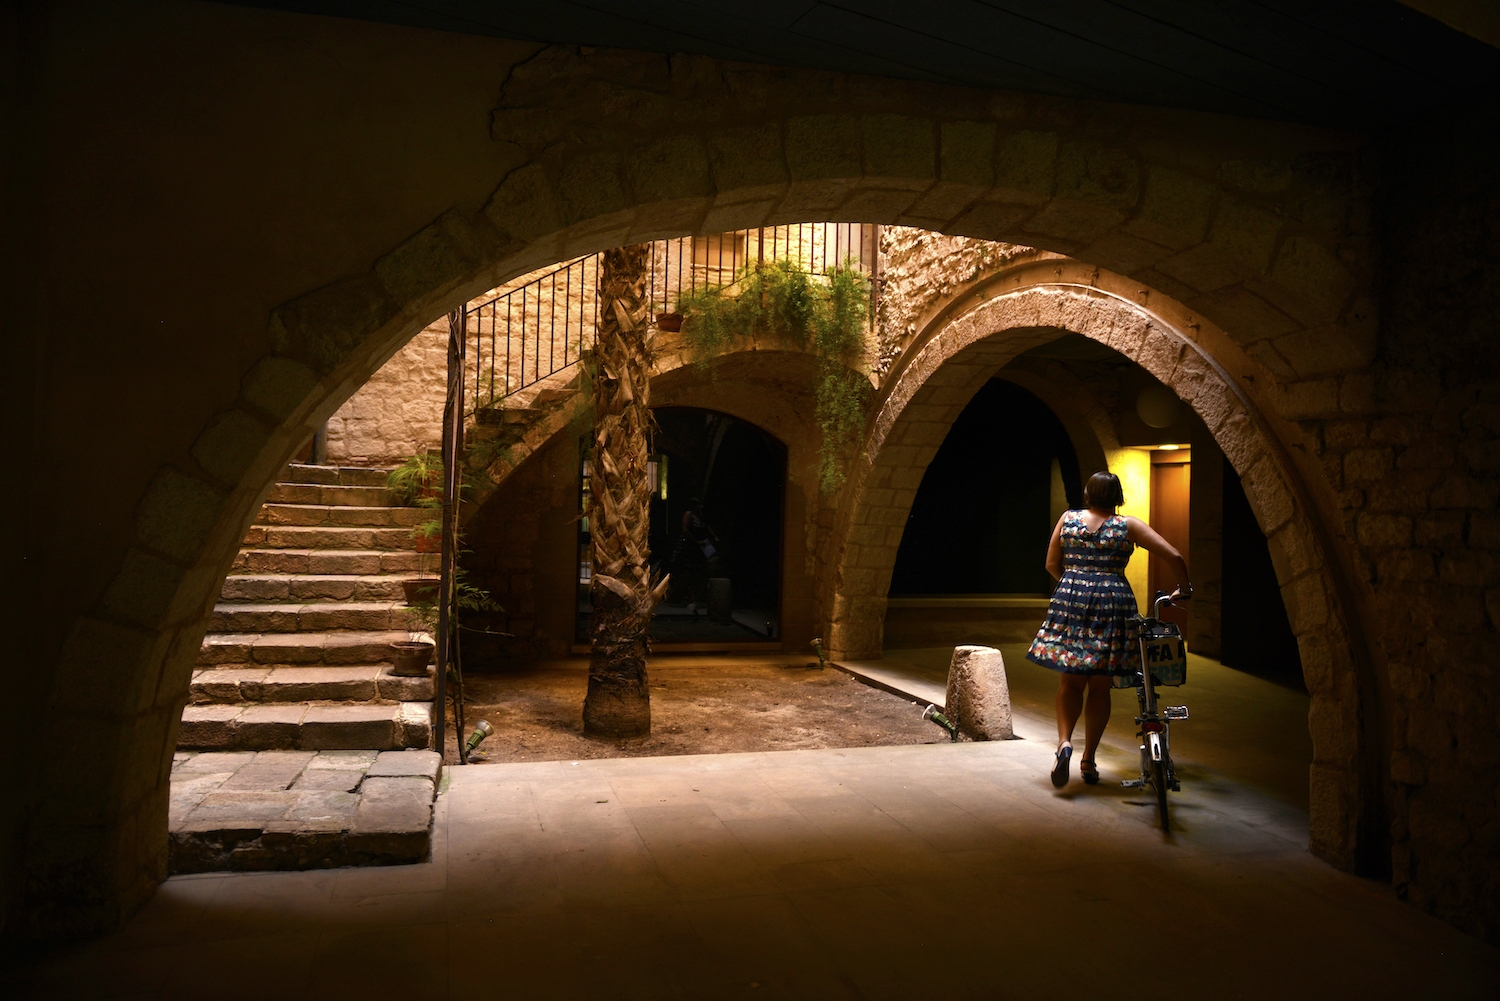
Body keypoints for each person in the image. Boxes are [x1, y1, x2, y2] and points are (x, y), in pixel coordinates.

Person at [1026, 471, 1191, 788]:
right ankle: (1088, 759)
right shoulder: (1126, 525)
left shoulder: (1068, 518)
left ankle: (1064, 744)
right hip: (1113, 604)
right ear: (1118, 496)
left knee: (1070, 682)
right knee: (1100, 686)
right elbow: (1174, 555)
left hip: (1070, 599)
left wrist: (1073, 585)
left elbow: (1050, 564)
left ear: (1087, 493)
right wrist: (1184, 588)